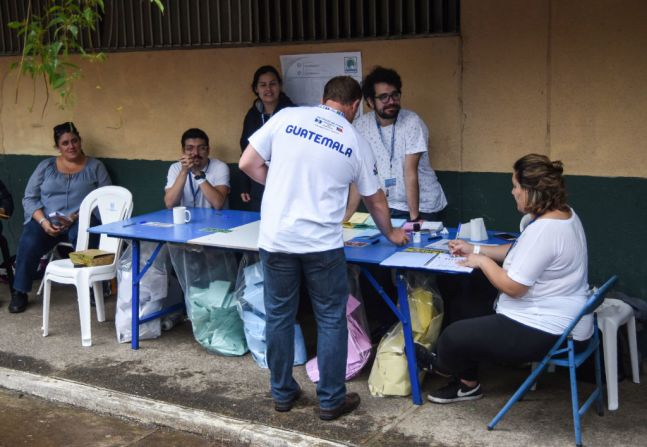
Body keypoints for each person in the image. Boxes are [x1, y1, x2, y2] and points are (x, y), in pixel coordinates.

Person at [239, 76, 408, 420]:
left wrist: (284, 185)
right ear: (355, 105)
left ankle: (283, 393)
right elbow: (375, 200)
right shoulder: (355, 140)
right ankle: (331, 400)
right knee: (331, 319)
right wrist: (391, 234)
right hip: (322, 247)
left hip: (277, 241)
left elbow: (247, 164)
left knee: (279, 317)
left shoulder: (286, 118)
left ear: (324, 97)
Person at [415, 154, 590, 404]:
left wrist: (483, 262)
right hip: (560, 315)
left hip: (546, 328)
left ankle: (441, 365)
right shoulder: (563, 214)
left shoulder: (545, 230)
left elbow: (513, 287)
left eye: (516, 186)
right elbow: (517, 252)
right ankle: (467, 385)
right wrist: (474, 249)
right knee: (468, 297)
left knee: (453, 337)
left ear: (532, 191)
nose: (513, 192)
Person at [10, 122, 112, 313]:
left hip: (81, 219)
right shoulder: (45, 166)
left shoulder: (95, 167)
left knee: (83, 233)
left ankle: (92, 286)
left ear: (80, 141)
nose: (71, 146)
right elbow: (29, 198)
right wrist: (43, 221)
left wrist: (77, 216)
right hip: (47, 220)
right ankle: (19, 291)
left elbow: (105, 198)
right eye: (65, 143)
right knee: (30, 238)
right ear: (58, 147)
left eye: (74, 141)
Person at [346, 66, 447, 222]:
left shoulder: (412, 122)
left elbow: (410, 171)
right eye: (384, 97)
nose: (391, 101)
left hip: (423, 207)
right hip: (387, 205)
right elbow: (359, 174)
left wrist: (414, 219)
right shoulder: (360, 126)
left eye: (395, 95)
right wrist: (347, 217)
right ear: (370, 102)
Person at [239, 65, 295, 211]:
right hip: (258, 180)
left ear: (280, 86)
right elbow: (245, 149)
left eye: (273, 84)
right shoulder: (252, 116)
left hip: (286, 179)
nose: (268, 89)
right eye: (263, 85)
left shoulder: (292, 112)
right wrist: (245, 184)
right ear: (256, 89)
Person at [164, 128, 230, 210]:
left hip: (215, 219)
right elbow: (170, 204)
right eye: (189, 148)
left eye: (201, 148)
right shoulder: (175, 168)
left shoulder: (220, 167)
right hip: (186, 219)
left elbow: (218, 204)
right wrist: (184, 171)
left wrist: (197, 173)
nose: (195, 153)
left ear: (208, 150)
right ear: (183, 151)